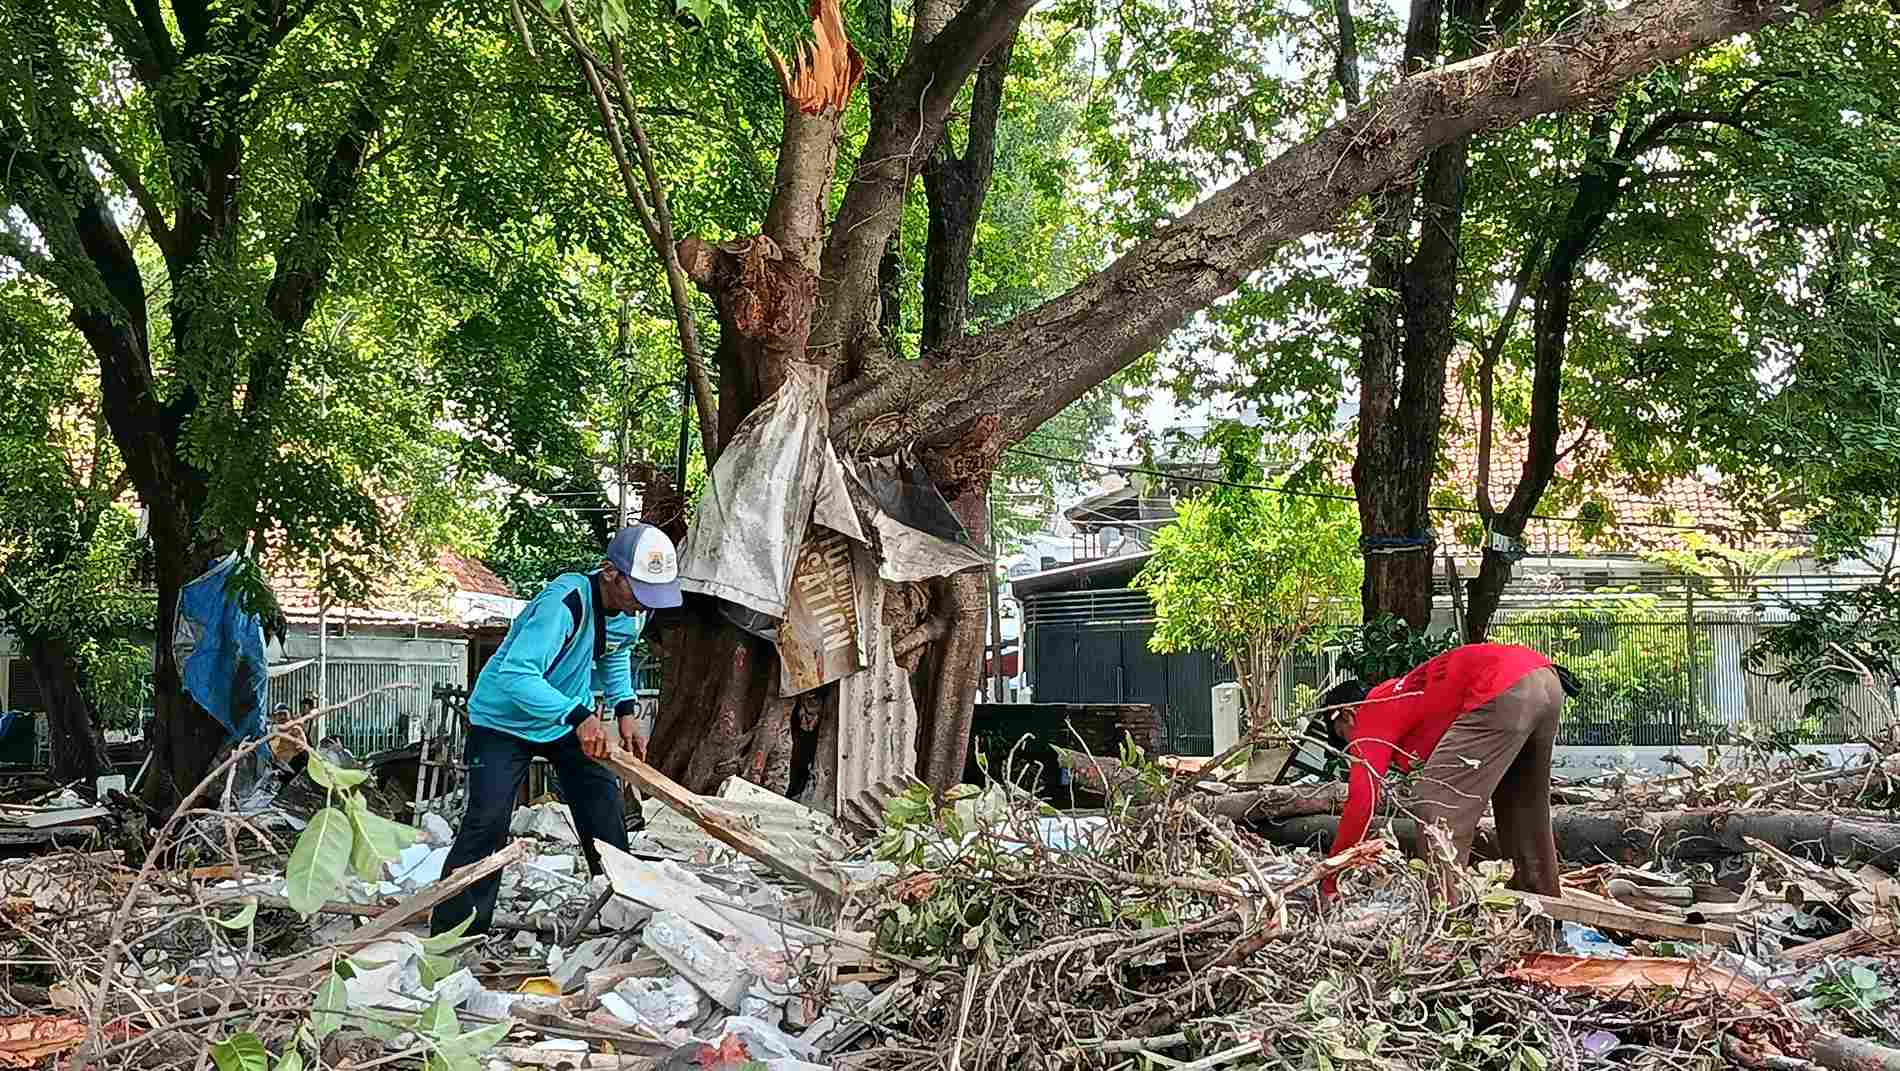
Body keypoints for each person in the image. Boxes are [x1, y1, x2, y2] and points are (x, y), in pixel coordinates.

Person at [430, 524, 682, 936]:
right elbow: (517, 675)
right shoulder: (563, 603)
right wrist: (578, 716)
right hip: (503, 721)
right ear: (610, 573)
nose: (642, 604)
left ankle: (620, 913)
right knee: (486, 822)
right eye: (638, 591)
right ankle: (455, 935)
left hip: (563, 717)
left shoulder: (630, 613)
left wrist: (625, 708)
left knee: (603, 807)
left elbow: (614, 653)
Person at [1319, 642, 1573, 897]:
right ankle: (1540, 901)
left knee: (1433, 804)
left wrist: (1331, 878)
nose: (1353, 747)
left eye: (1344, 736)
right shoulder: (1404, 695)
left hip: (1501, 685)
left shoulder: (1369, 713)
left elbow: (1362, 801)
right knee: (1521, 800)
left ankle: (1447, 911)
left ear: (1347, 715)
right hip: (1544, 679)